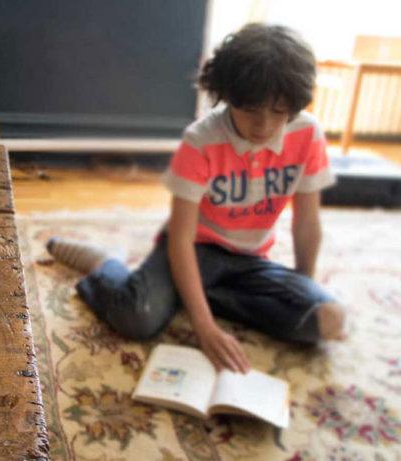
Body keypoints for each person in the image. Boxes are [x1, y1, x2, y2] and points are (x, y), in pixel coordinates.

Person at [46, 23, 347, 374]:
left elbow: (307, 222)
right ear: (227, 95)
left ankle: (192, 295)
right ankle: (107, 265)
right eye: (251, 110)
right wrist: (204, 327)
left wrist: (302, 291)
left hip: (250, 260)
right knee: (137, 318)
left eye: (279, 112)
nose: (264, 126)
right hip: (193, 250)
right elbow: (181, 237)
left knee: (327, 319)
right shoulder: (201, 141)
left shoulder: (308, 134)